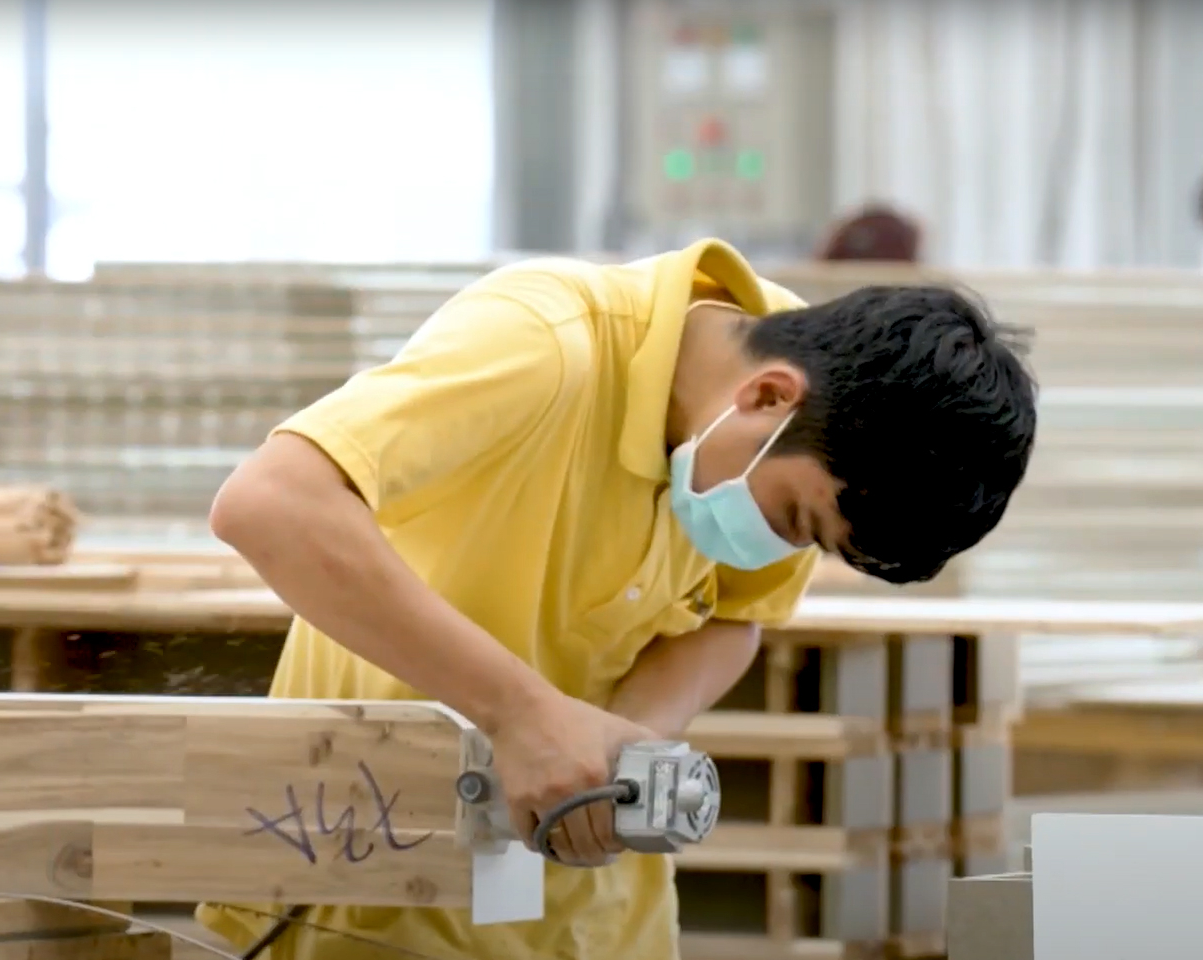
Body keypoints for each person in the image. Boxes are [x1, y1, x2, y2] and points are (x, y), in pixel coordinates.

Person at [203, 238, 1036, 960]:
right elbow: (270, 503)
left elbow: (738, 616)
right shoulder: (544, 344)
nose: (781, 546)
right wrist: (522, 716)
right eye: (794, 519)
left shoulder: (814, 394)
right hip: (371, 881)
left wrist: (622, 743)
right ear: (768, 397)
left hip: (599, 923)